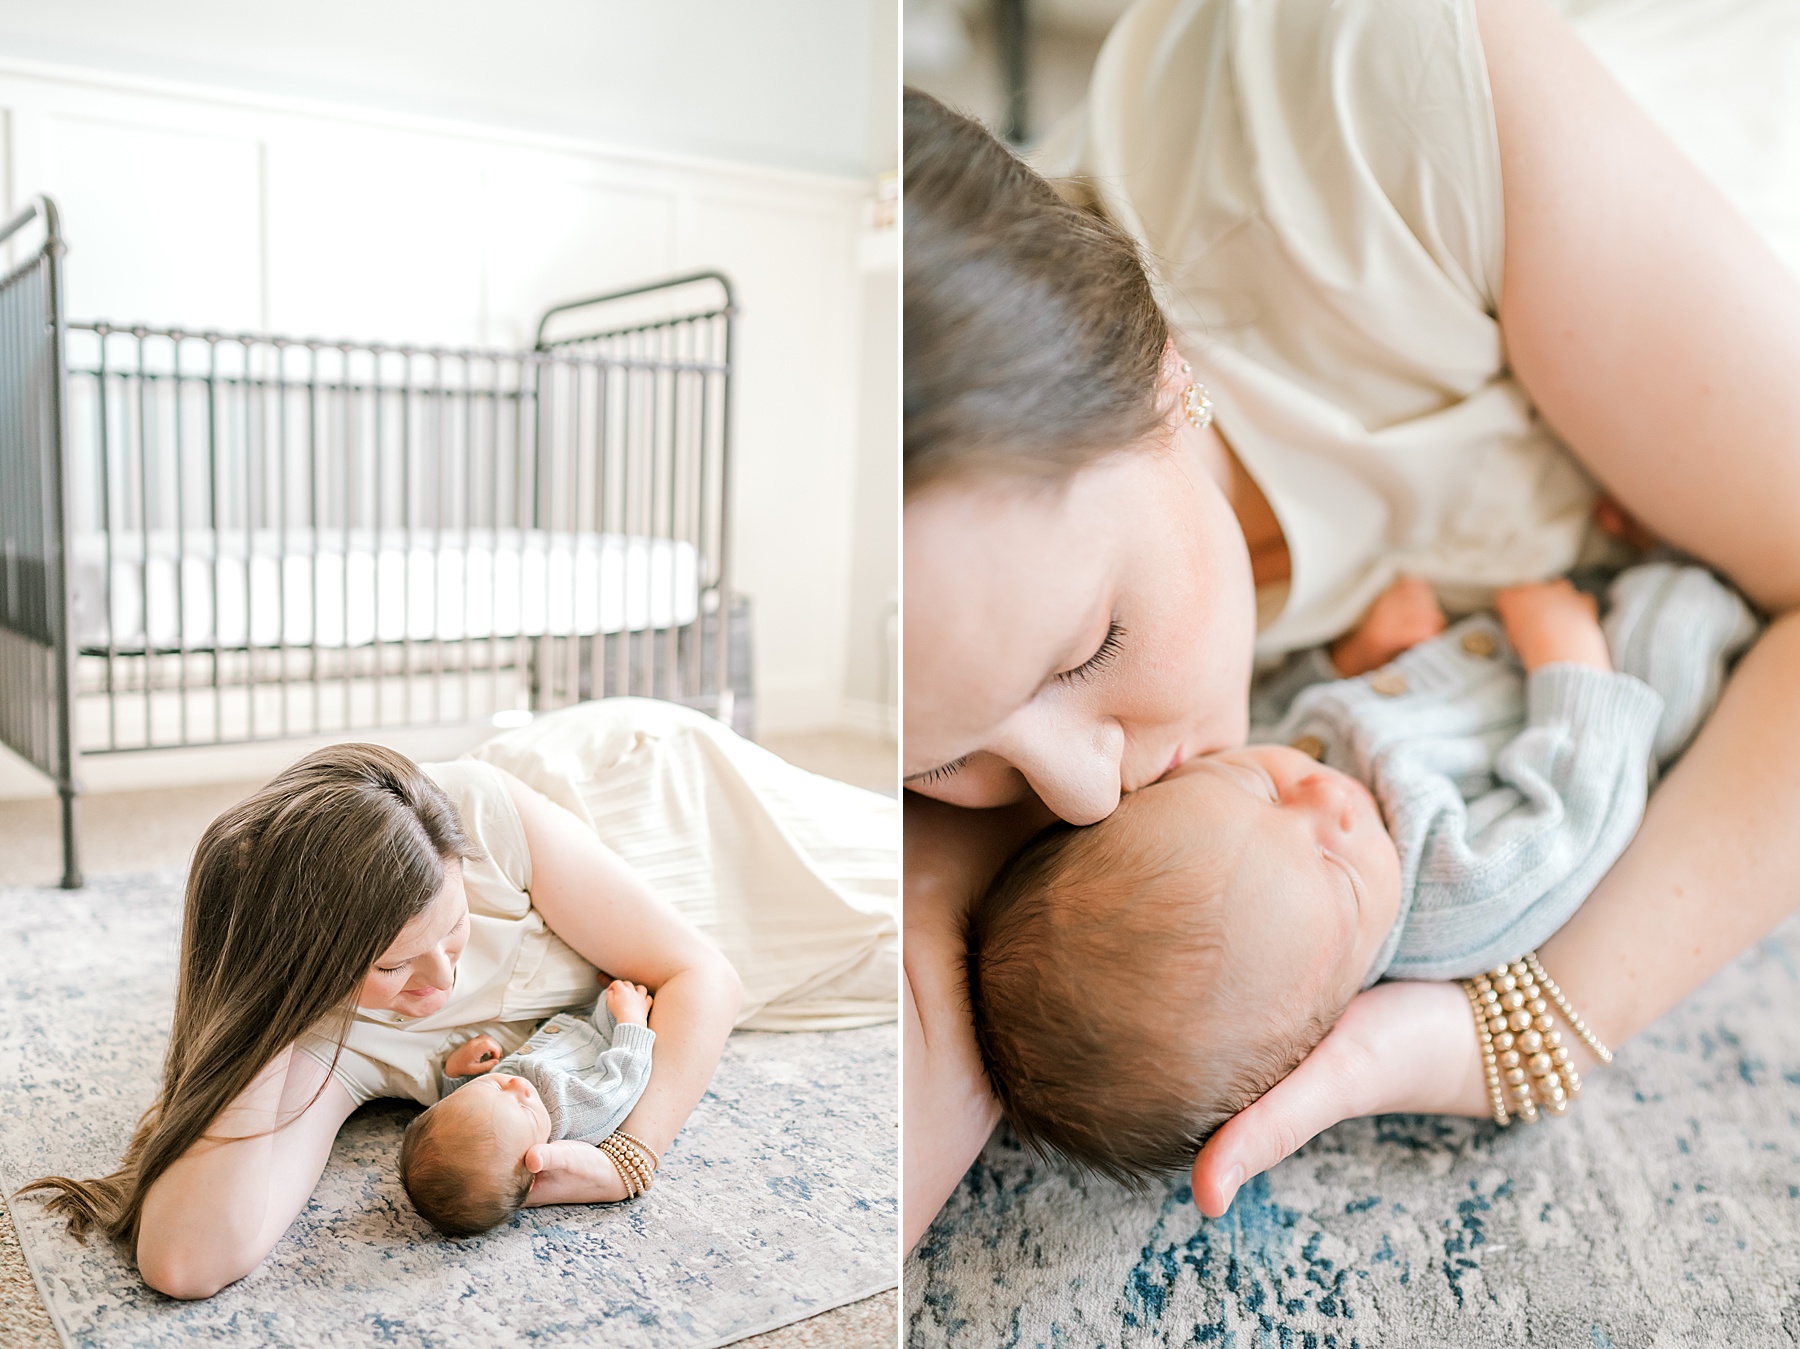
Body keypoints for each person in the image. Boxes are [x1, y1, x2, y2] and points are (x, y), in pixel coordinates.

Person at [903, 0, 1800, 1255]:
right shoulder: (986, 592)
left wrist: (1525, 1024)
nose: (1087, 796)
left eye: (1084, 652)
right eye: (942, 759)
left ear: (1165, 376)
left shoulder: (1367, 100)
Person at [22, 697, 896, 1298]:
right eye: (398, 969)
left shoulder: (469, 818)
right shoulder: (329, 1037)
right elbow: (185, 1260)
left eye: (455, 933)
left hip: (655, 805)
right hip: (626, 936)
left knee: (896, 858)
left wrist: (633, 1155)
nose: (442, 985)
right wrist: (261, 1014)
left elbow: (704, 976)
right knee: (910, 950)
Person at [966, 564, 1756, 1183]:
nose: (1327, 802)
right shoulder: (1453, 894)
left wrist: (1351, 658)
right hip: (1608, 683)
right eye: (1335, 869)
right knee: (1679, 615)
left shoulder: (1249, 838)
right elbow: (1582, 806)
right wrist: (1570, 653)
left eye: (1259, 786)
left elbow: (1287, 707)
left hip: (1479, 643)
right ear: (1333, 1008)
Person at [401, 979, 657, 1237]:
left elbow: (465, 1108)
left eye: (493, 1087)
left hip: (567, 1011)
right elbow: (625, 1076)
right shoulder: (579, 1113)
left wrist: (456, 1073)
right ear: (535, 1166)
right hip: (612, 1026)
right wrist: (631, 1018)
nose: (518, 1086)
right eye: (526, 1109)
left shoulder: (495, 1114)